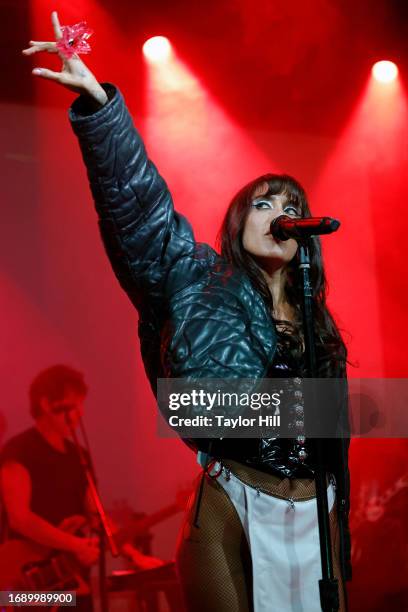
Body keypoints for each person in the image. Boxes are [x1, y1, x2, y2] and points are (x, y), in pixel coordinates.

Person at [22, 12, 351, 612]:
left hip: (314, 516)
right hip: (233, 501)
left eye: (292, 205)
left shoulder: (318, 325)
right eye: (263, 203)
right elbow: (139, 209)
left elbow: (341, 436)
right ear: (237, 222)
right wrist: (100, 110)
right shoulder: (194, 276)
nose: (279, 211)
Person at [0, 364, 164, 611]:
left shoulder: (79, 457)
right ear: (46, 404)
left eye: (81, 405)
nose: (79, 414)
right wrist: (74, 544)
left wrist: (134, 555)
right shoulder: (19, 450)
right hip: (28, 580)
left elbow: (97, 516)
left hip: (71, 579)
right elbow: (19, 518)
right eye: (72, 405)